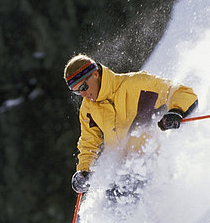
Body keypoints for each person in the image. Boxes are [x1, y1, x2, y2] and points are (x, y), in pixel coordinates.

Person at [64, 54, 198, 194]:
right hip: (121, 174)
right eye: (77, 92)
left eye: (84, 87)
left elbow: (181, 92)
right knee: (113, 201)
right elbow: (89, 142)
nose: (83, 94)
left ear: (95, 74)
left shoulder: (135, 84)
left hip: (151, 165)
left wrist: (176, 111)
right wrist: (84, 170)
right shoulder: (88, 108)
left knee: (125, 197)